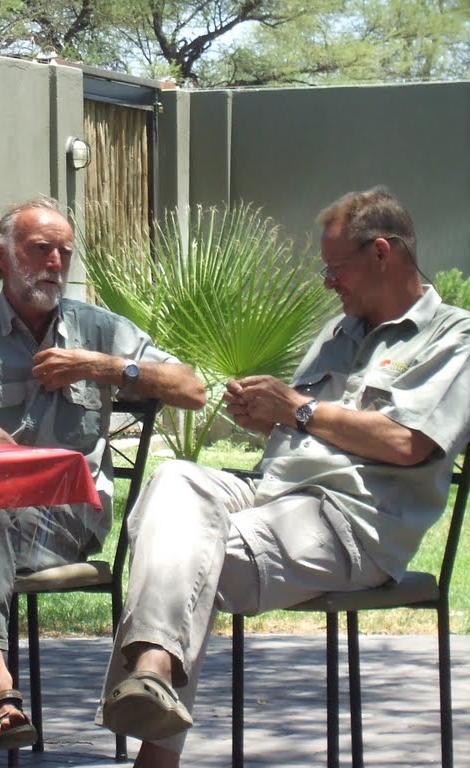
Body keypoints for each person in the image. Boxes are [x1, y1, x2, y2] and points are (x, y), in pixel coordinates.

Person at [96, 186, 470, 767]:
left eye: (336, 268)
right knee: (176, 481)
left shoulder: (455, 338)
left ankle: (152, 698)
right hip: (268, 496)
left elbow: (405, 443)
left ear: (381, 254)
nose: (328, 283)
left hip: (350, 521)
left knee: (185, 554)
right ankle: (156, 670)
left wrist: (296, 407)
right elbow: (300, 430)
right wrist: (263, 416)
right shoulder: (338, 332)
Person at [0, 196, 206, 755]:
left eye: (64, 252)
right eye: (40, 249)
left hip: (69, 516)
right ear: (1, 256)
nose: (55, 262)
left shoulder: (95, 329)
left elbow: (191, 388)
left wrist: (101, 366)